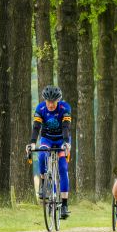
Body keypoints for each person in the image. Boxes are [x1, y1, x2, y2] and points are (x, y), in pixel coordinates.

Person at [26, 85, 72, 219]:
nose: (51, 105)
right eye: (48, 101)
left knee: (63, 168)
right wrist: (33, 143)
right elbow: (36, 127)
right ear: (45, 100)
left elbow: (66, 127)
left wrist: (66, 142)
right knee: (41, 156)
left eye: (54, 102)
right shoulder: (40, 108)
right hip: (47, 139)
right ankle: (43, 183)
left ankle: (64, 204)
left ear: (58, 101)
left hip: (61, 139)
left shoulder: (65, 108)